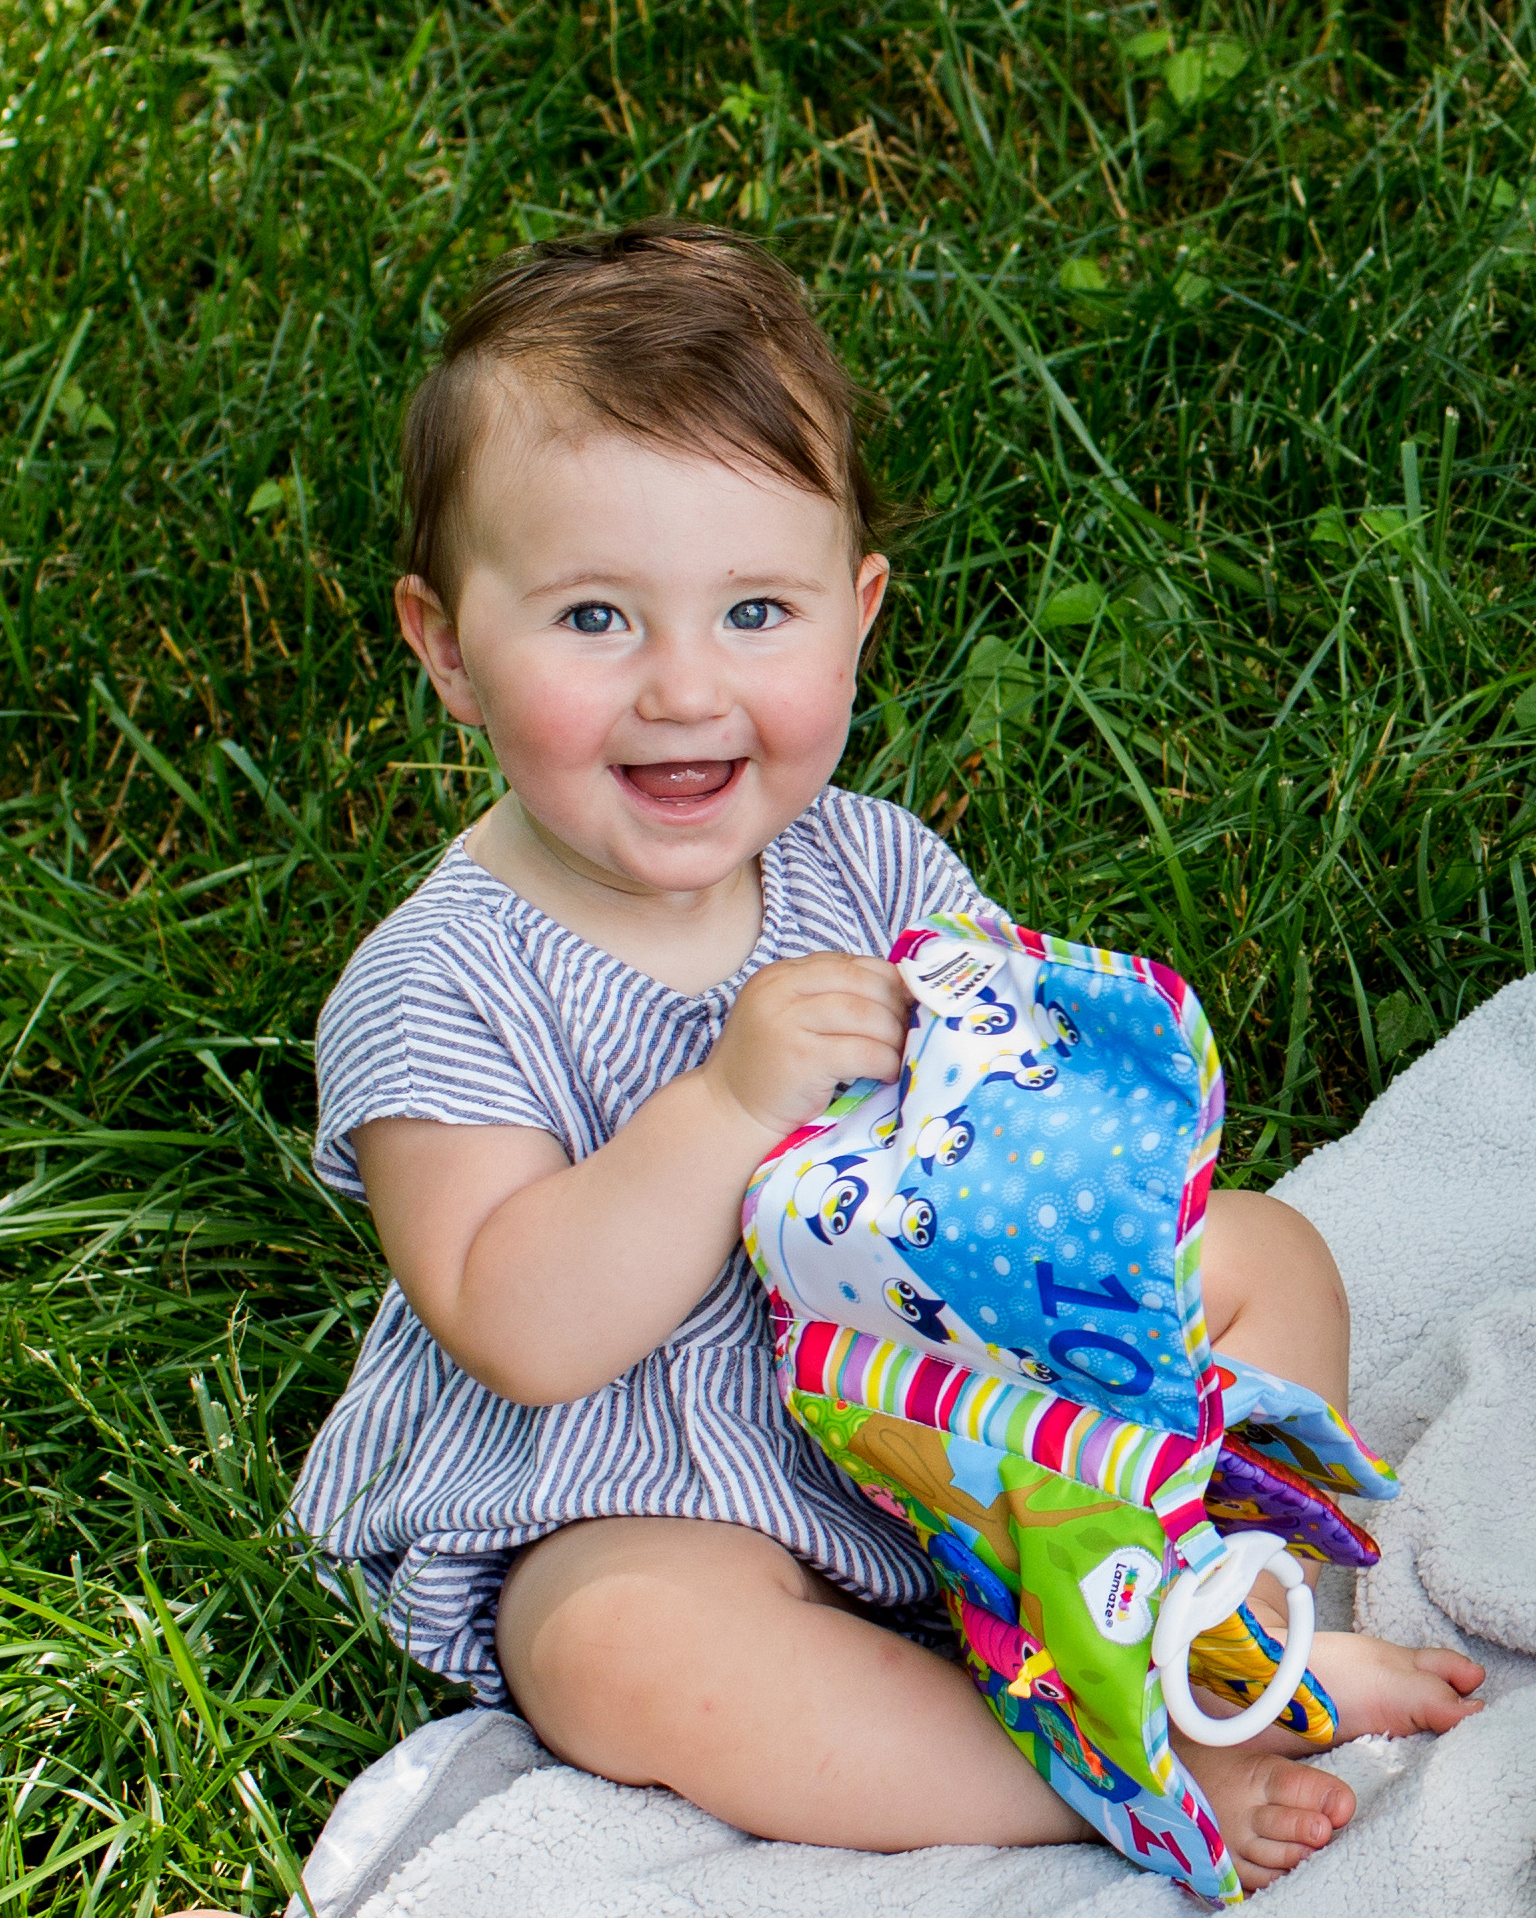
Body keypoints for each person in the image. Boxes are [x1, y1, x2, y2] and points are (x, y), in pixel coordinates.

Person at [274, 219, 1482, 1892]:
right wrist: (720, 1106)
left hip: (946, 1409)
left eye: (754, 609)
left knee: (1262, 1250)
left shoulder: (874, 865)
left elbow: (1023, 1122)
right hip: (657, 1479)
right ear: (443, 645)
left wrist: (1086, 1172)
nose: (683, 686)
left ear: (856, 615)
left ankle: (1227, 1620)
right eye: (595, 616)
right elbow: (520, 1323)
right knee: (617, 1647)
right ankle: (1080, 1773)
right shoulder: (438, 984)